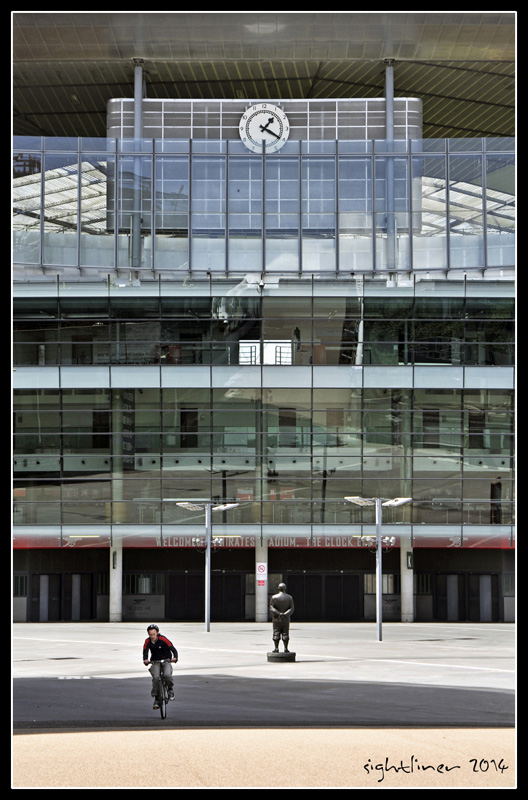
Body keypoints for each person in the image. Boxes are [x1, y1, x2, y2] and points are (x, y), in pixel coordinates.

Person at [142, 624, 178, 709]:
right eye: (150, 634)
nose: (152, 636)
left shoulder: (163, 639)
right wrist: (145, 659)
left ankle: (170, 689)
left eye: (154, 634)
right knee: (155, 678)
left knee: (167, 675)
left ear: (157, 633)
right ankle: (157, 698)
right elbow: (145, 651)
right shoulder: (147, 641)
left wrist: (175, 658)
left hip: (166, 660)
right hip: (155, 662)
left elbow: (173, 649)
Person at [270, 583, 294, 653]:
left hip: (276, 619)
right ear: (285, 588)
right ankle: (286, 648)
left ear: (278, 588)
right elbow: (291, 608)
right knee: (285, 633)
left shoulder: (274, 597)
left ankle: (276, 648)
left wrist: (279, 613)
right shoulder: (289, 597)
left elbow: (271, 608)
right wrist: (285, 614)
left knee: (276, 632)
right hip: (286, 619)